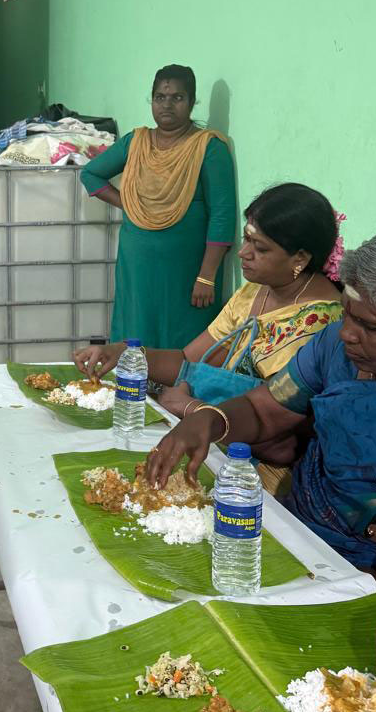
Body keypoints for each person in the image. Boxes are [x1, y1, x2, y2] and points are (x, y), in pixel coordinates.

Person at [146, 219, 376, 596]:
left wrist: (342, 594)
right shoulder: (337, 346)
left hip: (358, 569)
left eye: (371, 328)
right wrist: (209, 420)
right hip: (290, 517)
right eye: (347, 313)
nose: (346, 333)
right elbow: (266, 409)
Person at [75, 183, 343, 493]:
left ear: (300, 258)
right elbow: (189, 359)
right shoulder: (257, 291)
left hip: (262, 472)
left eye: (260, 248)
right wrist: (128, 353)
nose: (243, 253)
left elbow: (278, 434)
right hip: (217, 436)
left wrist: (192, 408)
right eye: (246, 239)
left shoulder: (319, 323)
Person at [80, 64, 235, 347]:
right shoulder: (136, 142)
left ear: (192, 102)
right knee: (135, 334)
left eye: (178, 97)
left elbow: (222, 215)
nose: (167, 105)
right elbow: (90, 174)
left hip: (187, 271)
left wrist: (207, 276)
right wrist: (128, 204)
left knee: (185, 342)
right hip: (137, 267)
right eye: (160, 97)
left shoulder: (209, 148)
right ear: (151, 100)